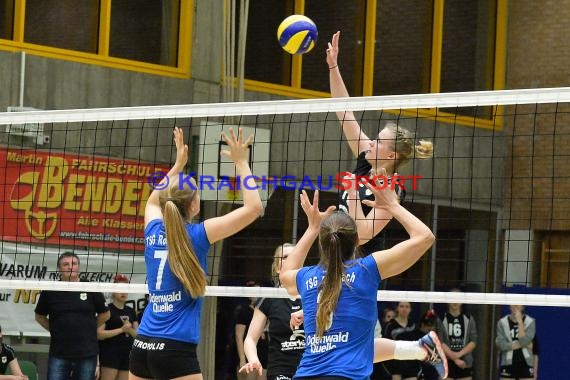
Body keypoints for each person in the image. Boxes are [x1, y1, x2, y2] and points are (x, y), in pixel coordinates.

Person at [129, 127, 263, 380]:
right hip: (175, 350)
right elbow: (254, 208)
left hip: (142, 345)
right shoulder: (199, 234)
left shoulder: (153, 229)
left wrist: (178, 165)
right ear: (193, 205)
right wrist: (242, 163)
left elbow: (152, 201)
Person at [279, 184, 447, 380]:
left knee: (358, 342)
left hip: (306, 375)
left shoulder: (307, 277)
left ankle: (419, 349)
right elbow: (425, 237)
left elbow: (285, 275)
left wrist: (312, 228)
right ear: (358, 240)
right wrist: (393, 205)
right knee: (357, 342)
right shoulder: (366, 270)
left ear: (321, 244)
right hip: (347, 376)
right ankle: (419, 348)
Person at [327, 30, 434, 254]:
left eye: (378, 141)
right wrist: (333, 66)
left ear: (391, 155)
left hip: (365, 267)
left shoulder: (391, 189)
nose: (371, 143)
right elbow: (343, 111)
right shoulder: (366, 161)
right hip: (336, 260)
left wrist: (354, 194)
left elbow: (363, 236)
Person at [35, 251, 110, 380]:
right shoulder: (50, 289)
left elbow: (106, 314)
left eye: (74, 263)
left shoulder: (90, 287)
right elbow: (39, 317)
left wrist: (88, 328)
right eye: (66, 264)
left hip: (87, 353)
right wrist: (56, 328)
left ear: (78, 267)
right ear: (59, 269)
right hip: (59, 353)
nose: (70, 267)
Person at [239, 244, 304, 380]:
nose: (291, 259)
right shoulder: (269, 297)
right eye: (285, 257)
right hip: (281, 371)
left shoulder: (312, 294)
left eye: (294, 256)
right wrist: (253, 359)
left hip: (310, 369)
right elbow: (250, 338)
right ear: (277, 267)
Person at [97, 274, 138, 380]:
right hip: (110, 355)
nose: (123, 292)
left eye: (126, 289)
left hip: (127, 355)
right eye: (120, 289)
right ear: (113, 291)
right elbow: (99, 334)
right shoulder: (106, 310)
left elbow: (138, 336)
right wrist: (121, 330)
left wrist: (129, 330)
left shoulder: (131, 311)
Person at [440, 290, 477, 380]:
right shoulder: (441, 319)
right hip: (446, 362)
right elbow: (439, 341)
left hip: (465, 362)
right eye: (452, 298)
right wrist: (455, 358)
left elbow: (473, 341)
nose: (455, 301)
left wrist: (459, 354)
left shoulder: (469, 318)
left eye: (458, 298)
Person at [235, 281, 268, 380]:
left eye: (259, 291)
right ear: (249, 295)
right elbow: (238, 336)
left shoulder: (264, 310)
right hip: (248, 355)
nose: (258, 294)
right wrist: (242, 359)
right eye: (255, 291)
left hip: (263, 354)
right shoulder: (244, 311)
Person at [496, 305, 536, 380]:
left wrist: (520, 322)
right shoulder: (502, 322)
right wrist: (522, 344)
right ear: (509, 306)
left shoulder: (530, 322)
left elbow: (524, 341)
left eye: (518, 303)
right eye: (513, 302)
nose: (515, 305)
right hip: (507, 363)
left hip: (526, 363)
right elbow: (501, 345)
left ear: (523, 307)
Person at [383, 301, 420, 380]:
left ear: (410, 309)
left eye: (407, 306)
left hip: (411, 364)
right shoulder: (390, 325)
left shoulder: (414, 326)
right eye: (401, 306)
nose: (404, 309)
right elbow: (385, 346)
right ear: (397, 308)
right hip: (395, 365)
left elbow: (418, 345)